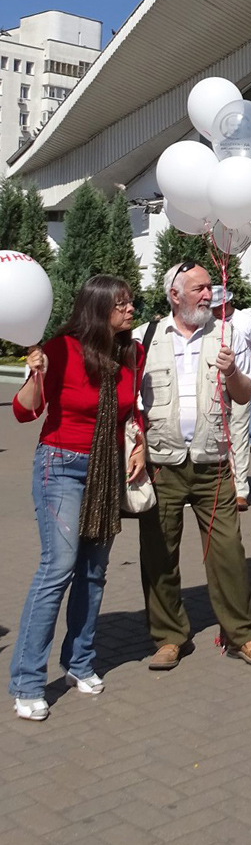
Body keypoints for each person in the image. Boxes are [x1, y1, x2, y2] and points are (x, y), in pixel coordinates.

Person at [8, 276, 145, 721]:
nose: (129, 309)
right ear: (97, 307)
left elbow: (132, 409)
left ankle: (79, 662)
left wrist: (139, 440)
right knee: (58, 567)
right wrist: (35, 374)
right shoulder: (61, 349)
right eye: (120, 304)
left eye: (130, 302)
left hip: (106, 469)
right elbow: (25, 411)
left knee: (94, 570)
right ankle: (28, 681)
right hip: (61, 466)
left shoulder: (132, 352)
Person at [138, 261, 251, 670]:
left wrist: (233, 369)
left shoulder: (226, 334)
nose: (208, 295)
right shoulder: (147, 337)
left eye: (209, 288)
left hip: (211, 463)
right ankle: (169, 637)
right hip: (162, 464)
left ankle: (242, 635)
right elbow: (130, 400)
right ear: (175, 294)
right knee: (158, 554)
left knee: (228, 553)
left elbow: (242, 394)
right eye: (199, 288)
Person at [211, 287, 251, 511]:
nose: (215, 312)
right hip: (213, 387)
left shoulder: (246, 321)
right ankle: (215, 487)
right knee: (215, 439)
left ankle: (240, 489)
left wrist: (242, 364)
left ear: (227, 304)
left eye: (217, 307)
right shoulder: (208, 323)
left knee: (239, 437)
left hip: (241, 386)